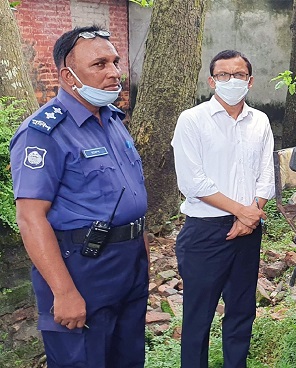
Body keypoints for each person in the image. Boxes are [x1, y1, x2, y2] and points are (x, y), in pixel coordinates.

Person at [10, 26, 149, 367]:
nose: (115, 72)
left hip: (129, 266)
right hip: (82, 267)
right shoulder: (43, 134)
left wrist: (142, 249)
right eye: (100, 64)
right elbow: (31, 218)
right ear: (68, 76)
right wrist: (64, 292)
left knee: (128, 359)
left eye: (115, 62)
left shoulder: (114, 120)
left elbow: (127, 194)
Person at [171, 50, 274, 368]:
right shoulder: (192, 120)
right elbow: (193, 182)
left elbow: (266, 176)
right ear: (212, 81)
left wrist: (251, 213)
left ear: (250, 81)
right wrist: (241, 212)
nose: (232, 81)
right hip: (206, 231)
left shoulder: (260, 121)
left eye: (239, 75)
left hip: (248, 230)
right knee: (198, 317)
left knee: (242, 311)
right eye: (224, 75)